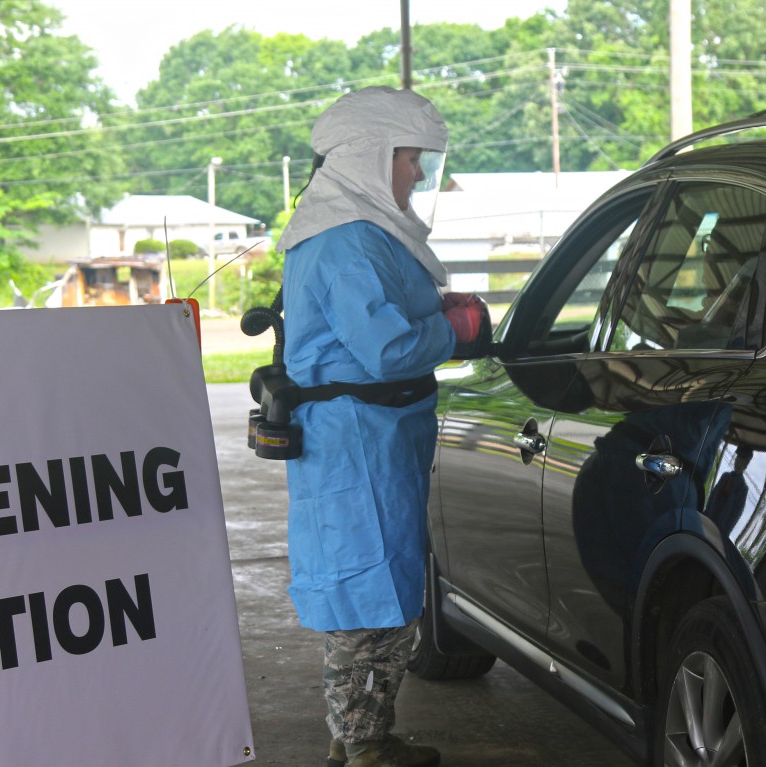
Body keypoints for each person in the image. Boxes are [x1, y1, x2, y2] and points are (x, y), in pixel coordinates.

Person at [275, 86, 486, 767]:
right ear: (371, 157)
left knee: (382, 584)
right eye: (410, 158)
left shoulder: (360, 229)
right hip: (356, 439)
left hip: (377, 435)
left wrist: (432, 304)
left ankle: (365, 734)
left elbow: (382, 315)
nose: (418, 173)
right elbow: (387, 347)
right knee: (361, 592)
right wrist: (452, 328)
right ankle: (362, 744)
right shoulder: (344, 240)